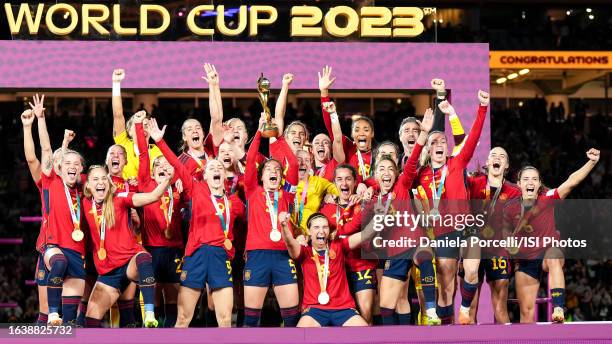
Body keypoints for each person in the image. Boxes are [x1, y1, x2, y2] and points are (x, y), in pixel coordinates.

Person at [148, 118, 246, 328]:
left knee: (226, 319)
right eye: (210, 168)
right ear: (205, 176)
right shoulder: (197, 190)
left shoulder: (235, 202)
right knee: (183, 319)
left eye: (218, 166)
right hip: (196, 256)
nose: (216, 169)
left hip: (221, 257)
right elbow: (176, 164)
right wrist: (159, 141)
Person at [414, 90, 489, 324]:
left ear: (448, 148)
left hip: (466, 227)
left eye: (443, 141)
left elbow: (473, 137)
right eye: (434, 141)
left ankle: (465, 309)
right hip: (442, 231)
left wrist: (482, 107)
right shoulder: (421, 174)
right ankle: (446, 328)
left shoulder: (457, 163)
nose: (440, 144)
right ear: (427, 148)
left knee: (473, 268)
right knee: (446, 283)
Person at [503, 148, 600, 323]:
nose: (530, 182)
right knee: (526, 313)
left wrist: (592, 162)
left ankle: (558, 307)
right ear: (519, 184)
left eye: (534, 179)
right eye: (526, 179)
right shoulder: (509, 208)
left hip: (548, 252)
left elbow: (571, 182)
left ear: (539, 184)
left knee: (554, 257)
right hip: (525, 260)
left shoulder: (547, 197)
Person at [81, 165, 170, 328]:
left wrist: (166, 181)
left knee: (144, 257)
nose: (100, 182)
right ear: (88, 185)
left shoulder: (120, 198)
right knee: (90, 321)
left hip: (130, 262)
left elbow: (153, 196)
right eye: (95, 179)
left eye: (103, 178)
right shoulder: (85, 203)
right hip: (108, 272)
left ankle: (149, 314)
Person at [32, 94, 87, 326]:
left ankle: (62, 321)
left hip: (78, 250)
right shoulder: (52, 182)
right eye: (67, 164)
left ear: (81, 169)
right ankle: (53, 313)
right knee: (59, 262)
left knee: (71, 321)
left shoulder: (85, 188)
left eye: (77, 164)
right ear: (59, 168)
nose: (72, 167)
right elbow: (46, 149)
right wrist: (41, 118)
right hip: (54, 246)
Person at [242, 115, 301, 327]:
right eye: (269, 170)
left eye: (277, 170)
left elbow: (293, 163)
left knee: (292, 318)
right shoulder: (252, 191)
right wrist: (259, 131)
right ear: (261, 176)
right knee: (251, 319)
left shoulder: (287, 195)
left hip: (283, 255)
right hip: (257, 255)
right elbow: (250, 160)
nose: (274, 171)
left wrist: (279, 135)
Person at [280, 212, 375, 327]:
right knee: (300, 337)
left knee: (366, 335)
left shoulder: (339, 246)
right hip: (314, 309)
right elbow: (290, 243)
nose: (321, 231)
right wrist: (284, 226)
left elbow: (365, 234)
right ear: (309, 231)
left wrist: (380, 216)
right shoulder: (305, 252)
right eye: (316, 227)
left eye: (325, 227)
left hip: (343, 308)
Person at [135, 116, 186, 327]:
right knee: (153, 296)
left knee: (173, 297)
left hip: (174, 250)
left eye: (167, 166)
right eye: (159, 166)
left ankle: (170, 336)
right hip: (152, 249)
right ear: (153, 173)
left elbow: (175, 163)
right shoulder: (146, 185)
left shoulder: (179, 190)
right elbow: (144, 155)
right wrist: (139, 128)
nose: (164, 167)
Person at [461, 147, 521, 324]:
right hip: (473, 246)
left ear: (506, 165)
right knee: (470, 309)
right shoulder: (473, 182)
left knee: (500, 307)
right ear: (487, 163)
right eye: (493, 155)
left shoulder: (515, 192)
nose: (497, 158)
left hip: (498, 249)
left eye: (502, 156)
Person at [319, 66, 374, 183]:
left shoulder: (378, 154)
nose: (361, 133)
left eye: (366, 129)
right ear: (352, 134)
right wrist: (324, 94)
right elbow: (331, 128)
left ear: (372, 133)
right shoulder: (348, 147)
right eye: (357, 129)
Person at [111, 68, 163, 180]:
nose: (142, 129)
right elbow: (118, 114)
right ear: (129, 131)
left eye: (146, 125)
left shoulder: (157, 151)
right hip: (124, 195)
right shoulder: (123, 144)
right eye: (138, 124)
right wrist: (116, 83)